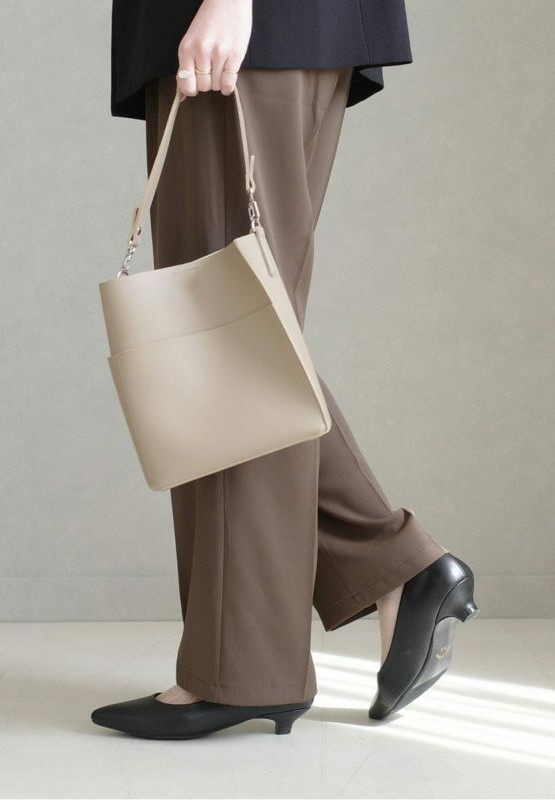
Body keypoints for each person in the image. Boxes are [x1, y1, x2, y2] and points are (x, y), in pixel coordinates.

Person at [92, 0, 479, 740]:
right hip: (272, 29)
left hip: (239, 28)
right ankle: (394, 574)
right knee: (237, 341)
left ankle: (243, 670)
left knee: (224, 341)